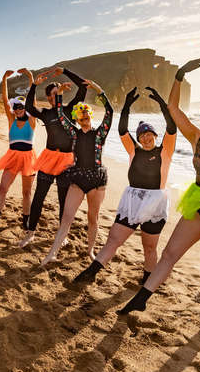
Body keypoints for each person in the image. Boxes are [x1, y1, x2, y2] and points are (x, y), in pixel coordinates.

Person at [117, 54, 200, 330]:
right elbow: (173, 107)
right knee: (169, 253)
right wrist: (179, 75)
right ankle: (142, 298)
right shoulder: (196, 138)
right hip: (198, 202)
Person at [73, 86, 176, 285]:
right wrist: (127, 105)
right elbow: (122, 130)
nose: (146, 137)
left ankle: (147, 279)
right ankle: (91, 272)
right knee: (114, 240)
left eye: (149, 134)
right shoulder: (133, 151)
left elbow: (172, 129)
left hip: (155, 203)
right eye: (142, 135)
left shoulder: (165, 152)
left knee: (149, 248)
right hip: (132, 201)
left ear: (155, 135)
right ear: (138, 139)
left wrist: (163, 106)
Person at [41, 79, 113, 265]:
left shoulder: (100, 134)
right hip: (78, 178)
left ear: (90, 116)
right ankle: (52, 254)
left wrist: (98, 89)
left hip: (97, 180)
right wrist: (60, 94)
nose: (84, 120)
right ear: (77, 119)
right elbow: (59, 112)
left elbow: (110, 112)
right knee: (66, 217)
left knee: (93, 218)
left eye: (86, 117)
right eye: (81, 118)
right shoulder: (74, 133)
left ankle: (90, 251)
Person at [18, 66, 87, 248]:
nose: (53, 98)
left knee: (63, 200)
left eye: (56, 93)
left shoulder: (71, 110)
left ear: (61, 93)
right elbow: (29, 107)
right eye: (50, 95)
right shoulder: (47, 114)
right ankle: (30, 233)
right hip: (49, 159)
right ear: (47, 98)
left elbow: (84, 87)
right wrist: (34, 85)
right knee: (39, 197)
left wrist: (65, 71)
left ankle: (62, 235)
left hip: (66, 161)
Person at [0, 69, 37, 233]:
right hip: (12, 157)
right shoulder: (11, 120)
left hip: (28, 159)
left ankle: (25, 221)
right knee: (3, 189)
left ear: (25, 108)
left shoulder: (32, 121)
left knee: (26, 193)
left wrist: (30, 77)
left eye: (21, 107)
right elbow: (4, 100)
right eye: (15, 107)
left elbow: (33, 100)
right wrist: (3, 79)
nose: (17, 110)